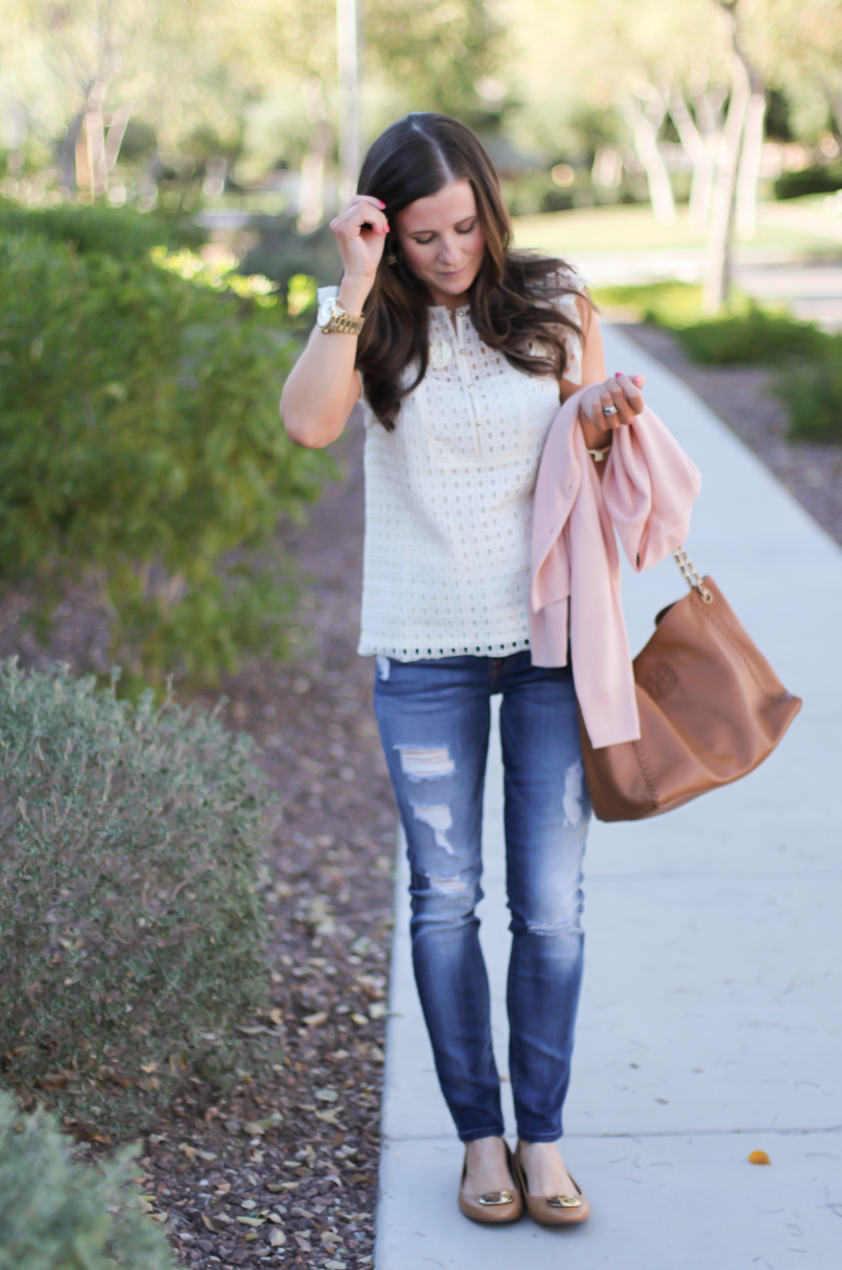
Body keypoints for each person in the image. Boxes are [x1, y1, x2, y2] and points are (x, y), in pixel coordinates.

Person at [281, 112, 648, 1227]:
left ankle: (542, 1140)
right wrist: (351, 279)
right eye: (422, 237)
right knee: (445, 903)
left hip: (547, 643)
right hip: (425, 651)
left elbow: (589, 458)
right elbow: (306, 426)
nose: (449, 255)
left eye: (463, 228)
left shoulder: (552, 303)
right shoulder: (367, 319)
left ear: (489, 207)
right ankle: (476, 1138)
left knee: (549, 909)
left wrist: (605, 417)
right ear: (386, 232)